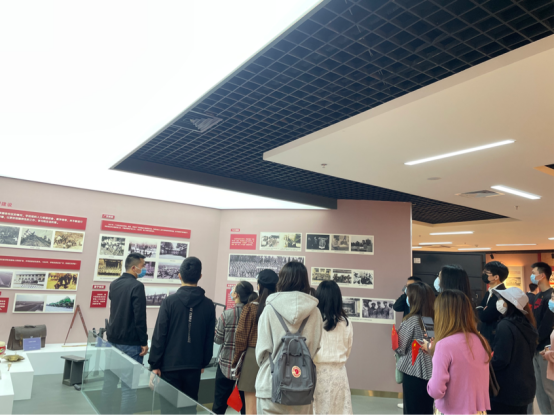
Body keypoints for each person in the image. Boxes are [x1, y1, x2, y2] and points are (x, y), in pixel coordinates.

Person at [149, 257, 216, 415]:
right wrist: (203, 362)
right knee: (189, 409)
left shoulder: (169, 302)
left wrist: (155, 365)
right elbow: (209, 339)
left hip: (169, 366)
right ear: (200, 276)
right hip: (194, 366)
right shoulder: (208, 305)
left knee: (168, 409)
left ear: (179, 275)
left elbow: (159, 335)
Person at [255, 262, 323, 415]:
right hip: (303, 386)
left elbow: (262, 352)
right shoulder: (315, 312)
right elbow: (315, 348)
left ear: (282, 280)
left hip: (270, 386)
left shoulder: (269, 309)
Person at [426, 290, 491, 415]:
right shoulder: (481, 340)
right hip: (477, 410)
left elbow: (436, 390)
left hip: (451, 410)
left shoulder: (444, 345)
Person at [103, 253, 149, 415]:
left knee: (108, 385)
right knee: (129, 389)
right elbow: (139, 317)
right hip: (131, 344)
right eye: (143, 266)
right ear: (134, 267)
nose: (144, 269)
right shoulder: (137, 286)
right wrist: (144, 341)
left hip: (112, 341)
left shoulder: (114, 284)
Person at [233, 270, 279, 416]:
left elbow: (240, 338)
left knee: (251, 410)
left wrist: (236, 361)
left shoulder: (250, 308)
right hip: (276, 358)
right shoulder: (279, 308)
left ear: (258, 286)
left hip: (252, 359)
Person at [488, 287, 538, 415]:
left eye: (502, 300)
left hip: (506, 390)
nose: (500, 303)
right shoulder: (528, 325)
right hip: (524, 387)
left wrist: (486, 362)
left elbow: (501, 360)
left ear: (510, 304)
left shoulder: (505, 325)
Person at [212, 281, 255, 415]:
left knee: (219, 405)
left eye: (233, 290)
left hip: (226, 364)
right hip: (246, 367)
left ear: (236, 295)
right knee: (246, 407)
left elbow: (218, 340)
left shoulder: (227, 314)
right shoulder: (254, 314)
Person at [313, 281, 353, 415]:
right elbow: (348, 349)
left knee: (317, 410)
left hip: (317, 374)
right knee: (338, 410)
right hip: (339, 374)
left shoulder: (314, 321)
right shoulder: (346, 322)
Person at [395, 281, 435, 415]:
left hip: (413, 371)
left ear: (414, 299)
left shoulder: (411, 320)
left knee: (412, 409)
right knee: (426, 408)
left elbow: (400, 348)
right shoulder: (430, 319)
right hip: (430, 370)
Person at [530, 262, 554, 415]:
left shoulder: (551, 296)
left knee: (549, 388)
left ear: (542, 275)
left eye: (534, 273)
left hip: (547, 349)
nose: (532, 276)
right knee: (539, 390)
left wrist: (536, 340)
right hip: (535, 347)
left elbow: (547, 324)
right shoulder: (537, 296)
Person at [478, 261, 509, 347]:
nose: (484, 274)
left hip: (494, 337)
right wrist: (482, 309)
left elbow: (485, 316)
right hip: (486, 335)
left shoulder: (502, 294)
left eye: (487, 272)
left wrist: (482, 310)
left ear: (496, 277)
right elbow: (479, 310)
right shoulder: (489, 292)